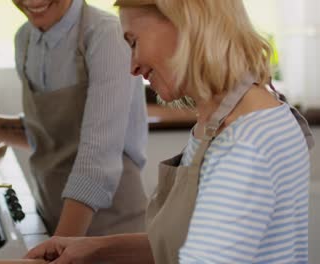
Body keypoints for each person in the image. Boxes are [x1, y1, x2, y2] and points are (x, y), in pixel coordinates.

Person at [24, 0, 315, 263]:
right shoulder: (238, 116)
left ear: (186, 23)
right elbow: (191, 243)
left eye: (134, 42)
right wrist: (94, 248)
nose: (132, 66)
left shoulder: (241, 146)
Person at [0, 0, 148, 237]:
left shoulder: (107, 36)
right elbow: (43, 135)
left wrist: (58, 248)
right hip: (54, 218)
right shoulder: (25, 39)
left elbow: (98, 161)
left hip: (112, 232)